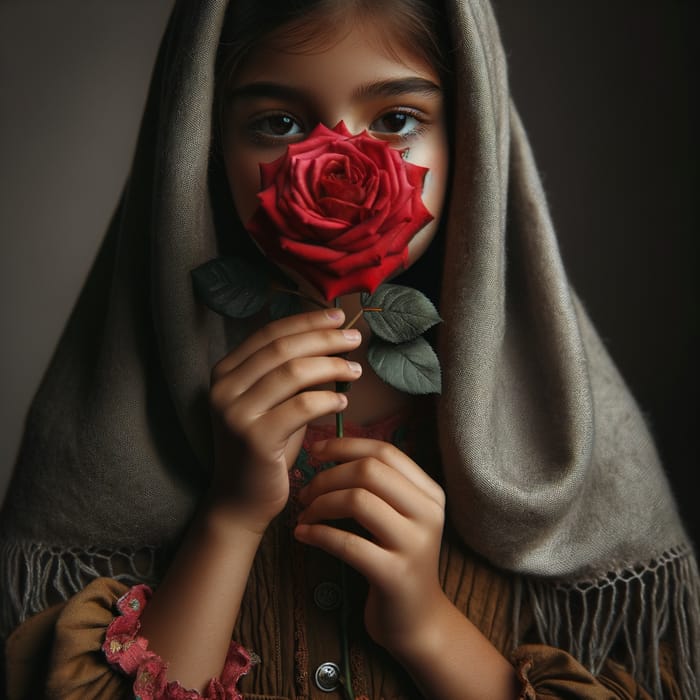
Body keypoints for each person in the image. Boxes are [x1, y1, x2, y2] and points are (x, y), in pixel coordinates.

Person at [1, 0, 698, 698]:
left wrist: (425, 626)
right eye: (278, 123)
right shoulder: (126, 416)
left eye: (396, 120)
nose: (340, 161)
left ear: (469, 137)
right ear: (202, 142)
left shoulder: (554, 436)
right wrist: (231, 515)